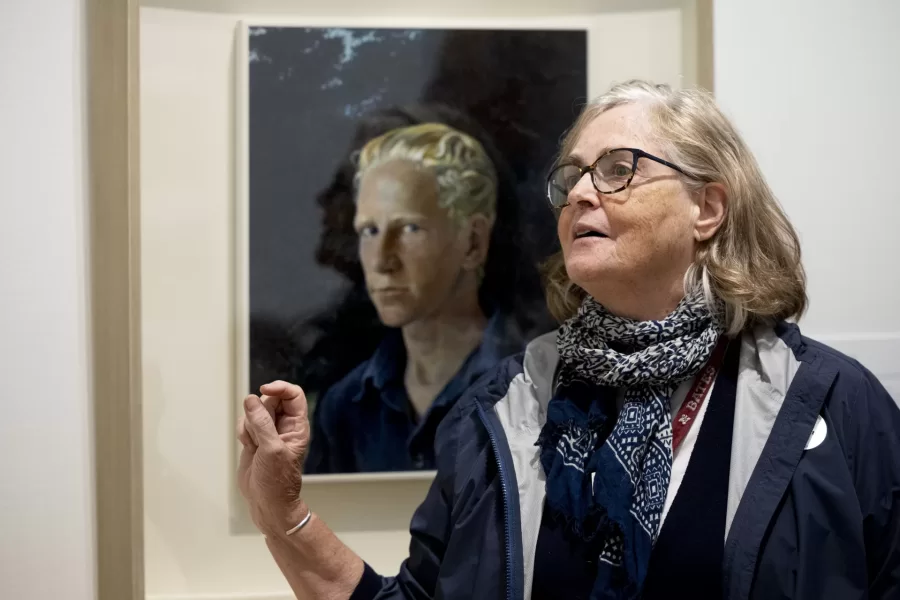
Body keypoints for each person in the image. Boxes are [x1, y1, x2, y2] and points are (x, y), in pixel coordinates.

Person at [236, 80, 900, 599]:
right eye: (573, 175)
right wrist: (282, 515)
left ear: (707, 208)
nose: (580, 193)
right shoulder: (503, 406)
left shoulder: (833, 410)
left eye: (617, 169)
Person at [305, 123, 534, 473]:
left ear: (473, 242)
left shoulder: (534, 386)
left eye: (410, 228)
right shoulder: (344, 408)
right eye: (370, 231)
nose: (382, 260)